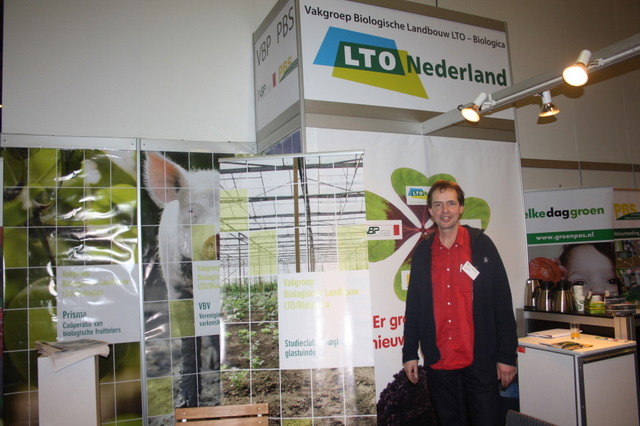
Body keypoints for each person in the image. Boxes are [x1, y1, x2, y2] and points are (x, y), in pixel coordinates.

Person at [402, 180, 518, 426]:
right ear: (430, 211)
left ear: (461, 208)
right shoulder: (423, 253)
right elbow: (414, 307)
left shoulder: (481, 246)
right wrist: (409, 352)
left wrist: (507, 356)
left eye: (451, 203)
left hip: (479, 359)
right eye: (438, 205)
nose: (445, 210)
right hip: (440, 359)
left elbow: (502, 302)